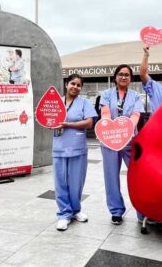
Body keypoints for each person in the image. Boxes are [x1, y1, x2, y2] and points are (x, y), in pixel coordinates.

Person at [100, 64, 144, 225]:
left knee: (137, 176)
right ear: (115, 77)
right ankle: (116, 210)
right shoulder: (105, 94)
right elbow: (105, 113)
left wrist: (126, 129)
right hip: (110, 139)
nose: (123, 77)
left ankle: (142, 211)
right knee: (111, 176)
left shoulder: (136, 96)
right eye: (120, 74)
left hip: (130, 140)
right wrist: (110, 128)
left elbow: (136, 115)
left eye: (127, 75)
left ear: (130, 78)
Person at [53, 74, 97, 231]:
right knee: (60, 182)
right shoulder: (56, 102)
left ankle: (76, 210)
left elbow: (89, 122)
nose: (75, 87)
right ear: (66, 84)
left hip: (77, 147)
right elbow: (47, 118)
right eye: (72, 83)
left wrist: (68, 125)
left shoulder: (84, 102)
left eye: (79, 85)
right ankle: (64, 214)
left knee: (76, 182)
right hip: (59, 146)